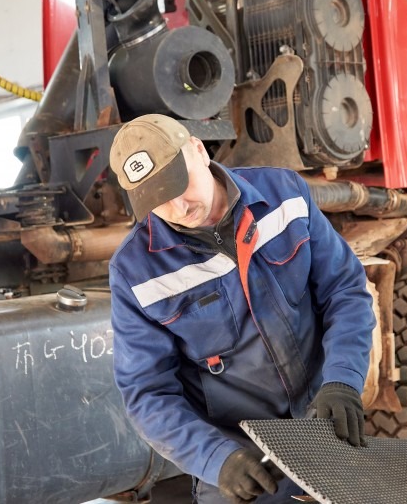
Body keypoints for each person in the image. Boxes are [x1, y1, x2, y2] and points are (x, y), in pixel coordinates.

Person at [108, 114, 376, 503]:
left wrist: (343, 380)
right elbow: (147, 393)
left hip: (325, 427)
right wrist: (217, 460)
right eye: (158, 201)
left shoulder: (285, 194)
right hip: (242, 459)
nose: (179, 206)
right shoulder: (136, 270)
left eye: (178, 185)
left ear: (198, 150)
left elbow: (344, 290)